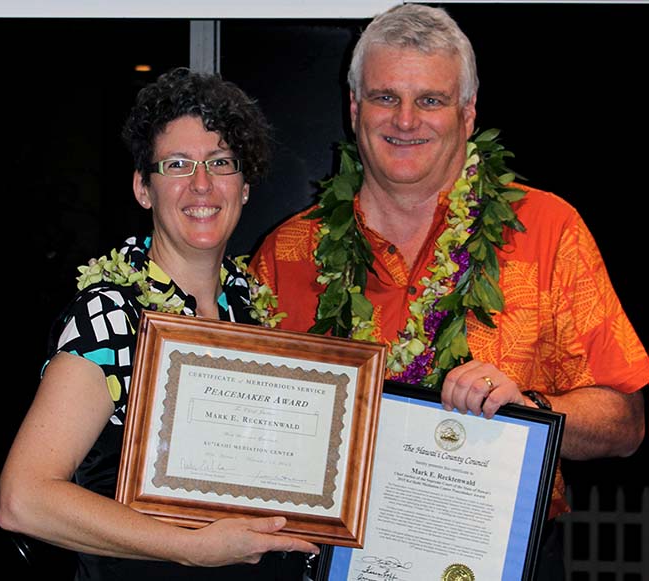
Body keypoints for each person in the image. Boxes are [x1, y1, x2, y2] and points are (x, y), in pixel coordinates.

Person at [249, 4, 649, 579]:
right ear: (355, 109)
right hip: (328, 565)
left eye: (431, 100)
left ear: (467, 115)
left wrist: (528, 410)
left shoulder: (547, 229)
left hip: (510, 561)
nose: (406, 120)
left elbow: (626, 424)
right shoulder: (287, 252)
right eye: (386, 97)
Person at [0, 67, 319, 580]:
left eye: (220, 162)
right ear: (143, 189)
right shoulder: (111, 316)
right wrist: (188, 546)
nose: (201, 184)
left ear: (246, 187)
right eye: (176, 164)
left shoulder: (253, 308)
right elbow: (23, 498)